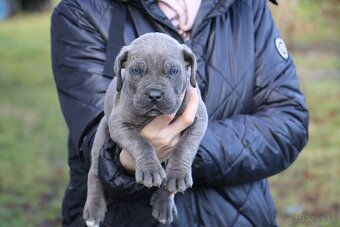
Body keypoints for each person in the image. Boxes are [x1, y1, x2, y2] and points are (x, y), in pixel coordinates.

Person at [51, 0, 309, 226]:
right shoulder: (81, 10)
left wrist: (181, 153)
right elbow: (95, 137)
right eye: (137, 72)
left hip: (241, 216)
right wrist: (135, 158)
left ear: (188, 67)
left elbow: (289, 121)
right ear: (123, 67)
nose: (154, 92)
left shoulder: (247, 5)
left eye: (173, 72)